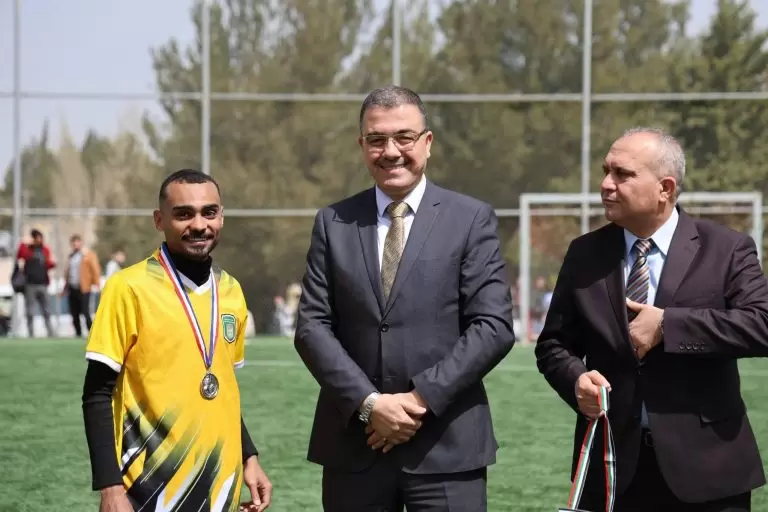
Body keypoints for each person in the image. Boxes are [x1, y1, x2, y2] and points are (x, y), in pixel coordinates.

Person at [294, 85, 515, 511]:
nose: (391, 151)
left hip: (447, 447)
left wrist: (418, 401)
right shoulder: (333, 222)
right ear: (362, 146)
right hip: (355, 447)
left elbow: (493, 326)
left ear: (427, 142)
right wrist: (369, 404)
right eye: (376, 139)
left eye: (404, 137)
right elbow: (311, 327)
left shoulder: (471, 219)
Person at [535, 127, 768, 511]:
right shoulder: (585, 253)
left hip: (709, 472)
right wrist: (575, 379)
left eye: (622, 174)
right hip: (614, 468)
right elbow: (554, 345)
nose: (606, 184)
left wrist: (667, 326)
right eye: (606, 171)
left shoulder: (727, 249)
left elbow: (760, 325)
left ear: (665, 188)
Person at [81, 169, 272, 512]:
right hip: (147, 488)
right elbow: (96, 394)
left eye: (209, 212)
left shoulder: (231, 291)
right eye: (184, 214)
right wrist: (110, 488)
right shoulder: (128, 287)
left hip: (220, 486)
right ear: (159, 220)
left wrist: (249, 457)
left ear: (221, 217)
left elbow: (222, 389)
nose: (199, 225)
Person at [14, 228, 55, 337]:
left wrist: (52, 264)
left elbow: (48, 263)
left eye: (40, 238)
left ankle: (50, 332)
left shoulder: (45, 250)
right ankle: (31, 333)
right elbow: (20, 255)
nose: (39, 240)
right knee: (30, 311)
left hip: (43, 284)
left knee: (46, 310)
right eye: (36, 238)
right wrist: (23, 243)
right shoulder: (27, 249)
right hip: (30, 284)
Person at [63, 234, 102, 338]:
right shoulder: (71, 256)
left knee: (85, 312)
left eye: (77, 242)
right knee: (74, 313)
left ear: (81, 243)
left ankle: (93, 334)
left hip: (84, 288)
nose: (75, 245)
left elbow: (95, 269)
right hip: (72, 287)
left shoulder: (88, 255)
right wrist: (65, 287)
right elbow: (67, 272)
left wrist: (97, 284)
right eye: (73, 243)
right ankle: (78, 333)